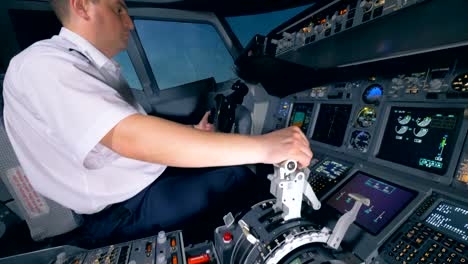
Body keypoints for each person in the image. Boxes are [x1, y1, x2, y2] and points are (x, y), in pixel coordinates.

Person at [2, 0, 312, 242]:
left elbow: (120, 139)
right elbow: (130, 137)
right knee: (237, 178)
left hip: (136, 187)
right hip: (120, 212)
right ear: (82, 5)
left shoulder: (87, 68)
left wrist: (194, 132)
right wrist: (266, 147)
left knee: (226, 169)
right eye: (119, 9)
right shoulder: (42, 65)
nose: (129, 23)